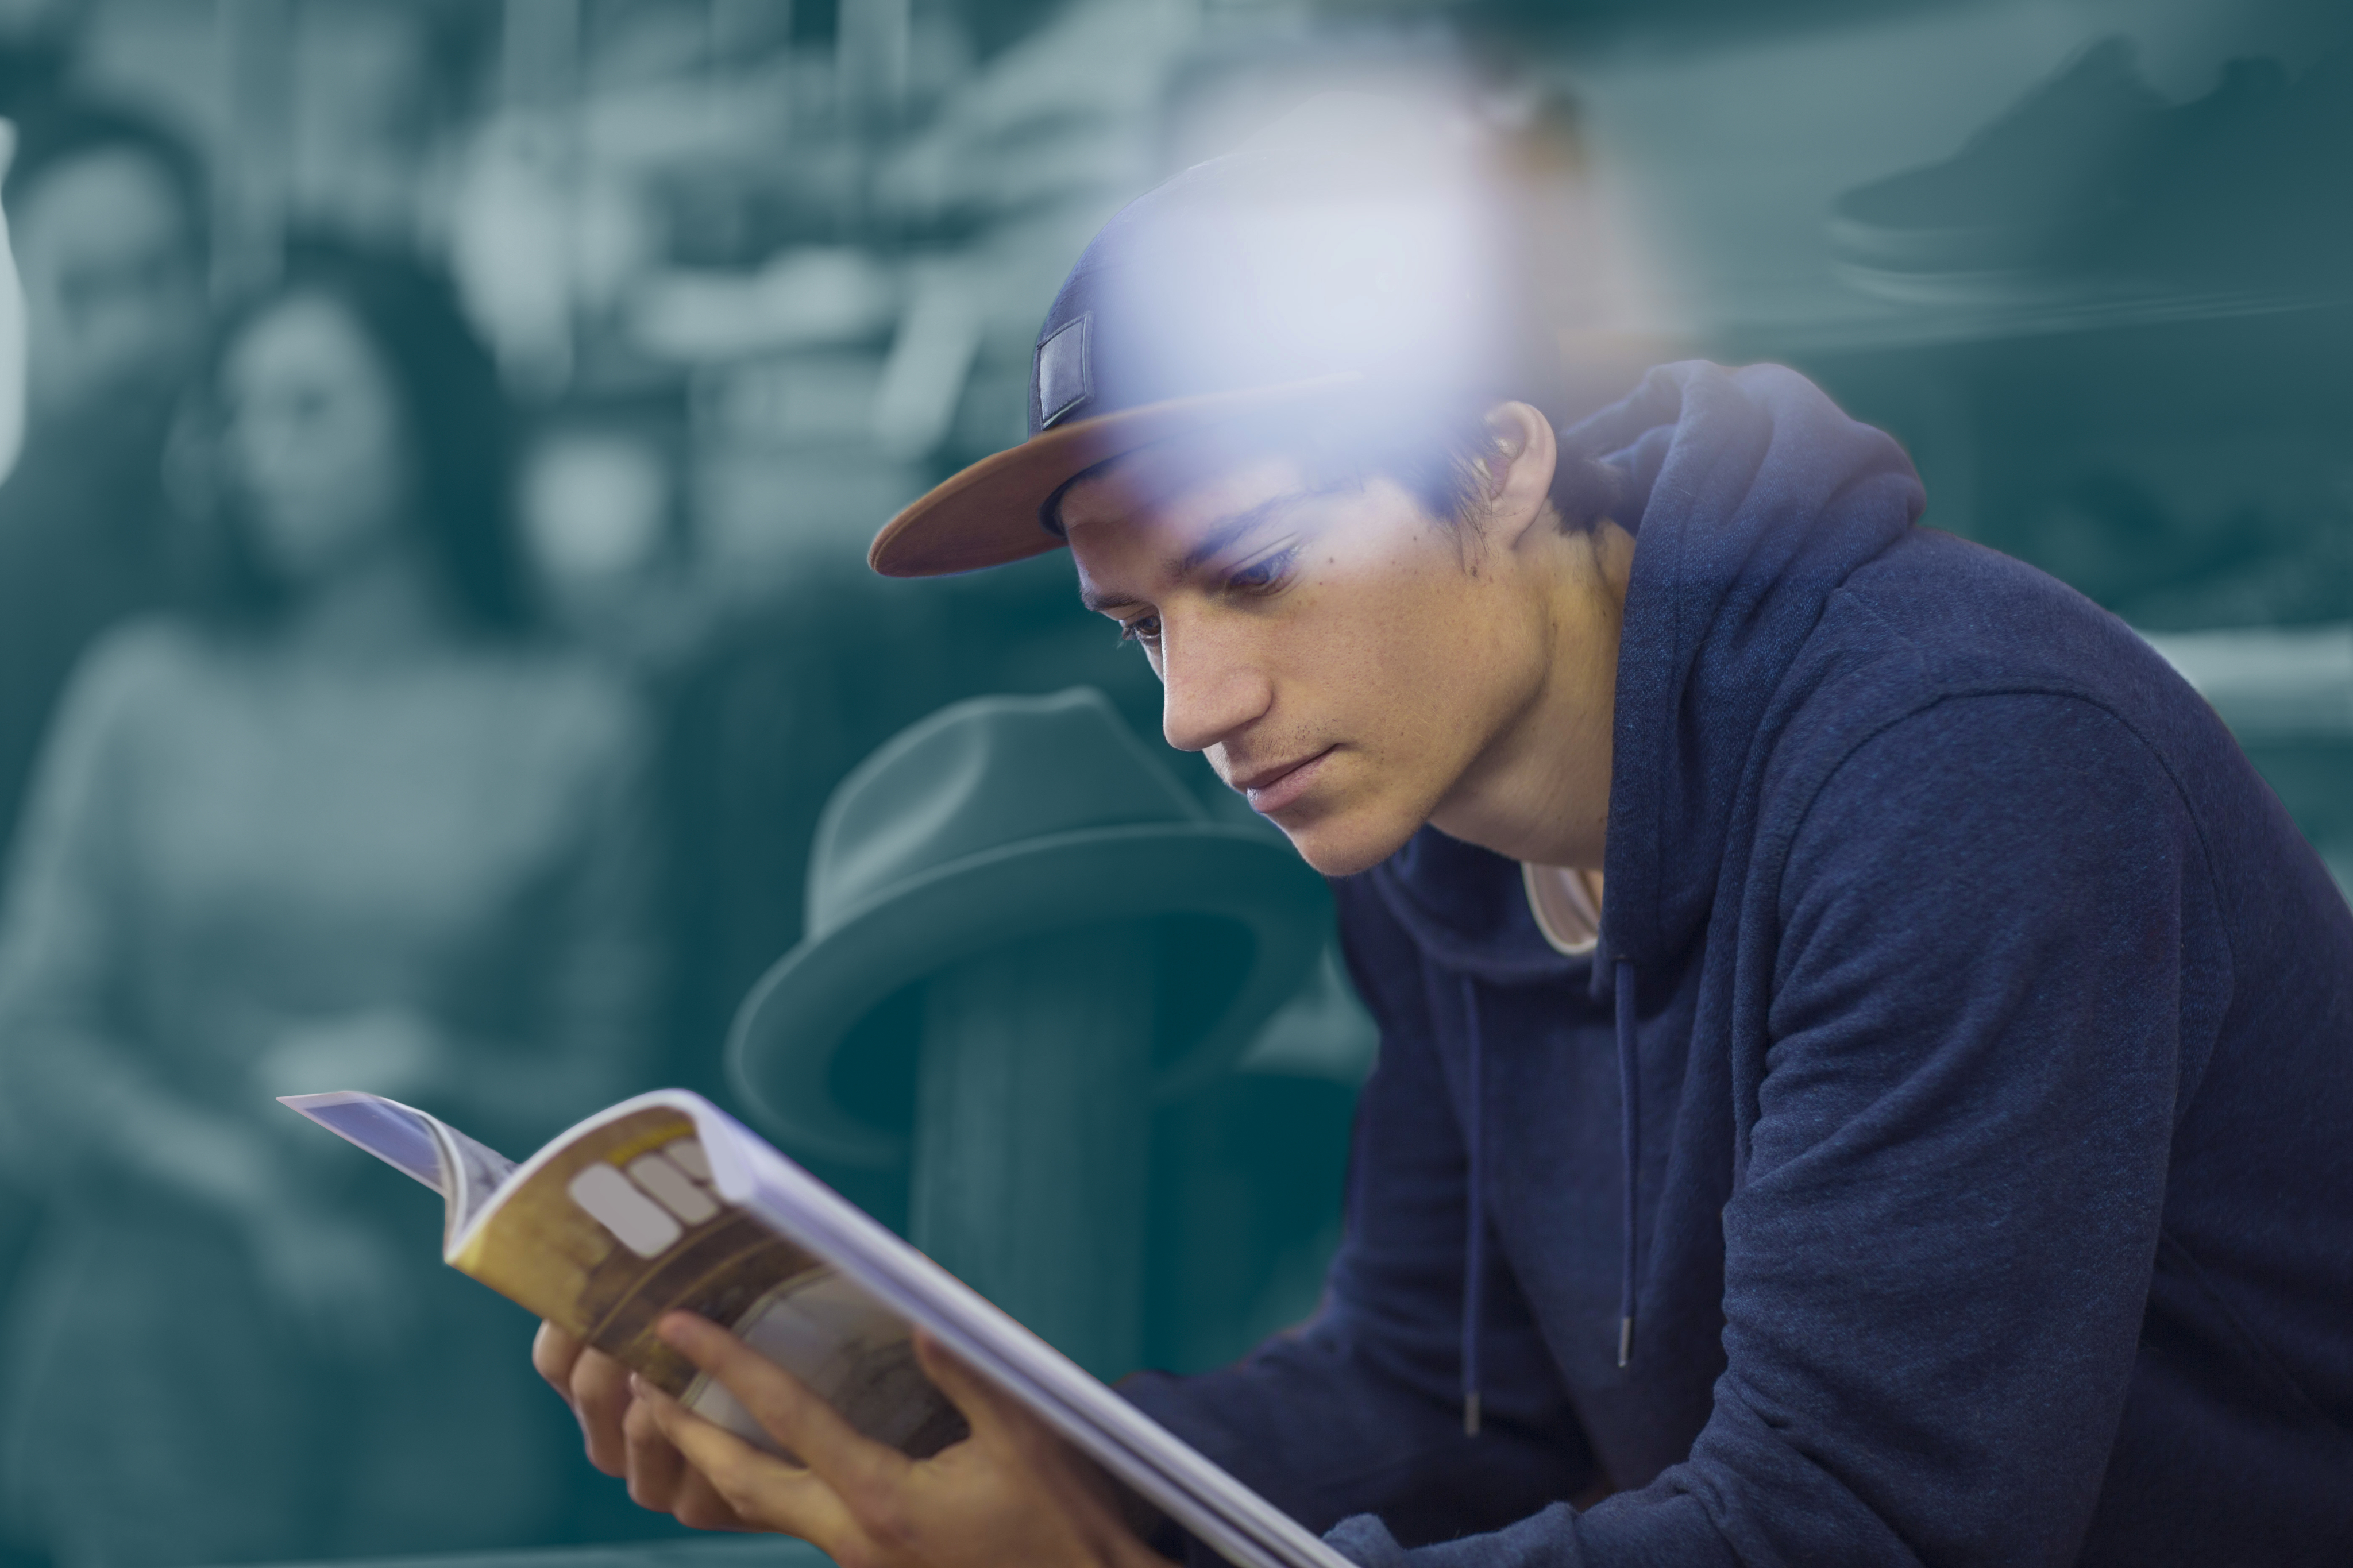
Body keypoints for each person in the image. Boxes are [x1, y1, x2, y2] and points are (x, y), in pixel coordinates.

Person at [532, 102, 2353, 1565]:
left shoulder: (1963, 765)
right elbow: (1447, 1395)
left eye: (1254, 569)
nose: (1196, 706)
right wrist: (965, 1439)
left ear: (1498, 469)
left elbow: (1863, 1528)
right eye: (1144, 623)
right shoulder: (1433, 821)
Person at [0, 242, 660, 1568]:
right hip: (149, 1359)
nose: (258, 451)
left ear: (428, 425)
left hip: (449, 1374)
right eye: (238, 412)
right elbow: (37, 1029)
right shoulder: (147, 693)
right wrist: (251, 1189)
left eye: (310, 408)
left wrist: (438, 1066)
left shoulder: (571, 726)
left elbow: (620, 1095)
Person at [0, 98, 207, 873]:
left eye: (157, 277)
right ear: (24, 291)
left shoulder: (246, 551)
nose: (129, 337)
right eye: (82, 290)